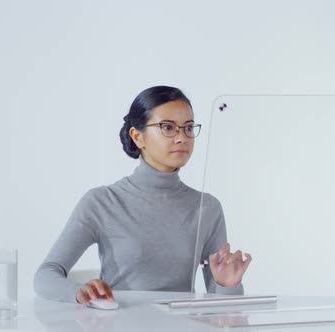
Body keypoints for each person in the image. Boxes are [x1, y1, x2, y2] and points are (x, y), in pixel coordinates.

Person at [34, 86, 252, 305]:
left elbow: (222, 308)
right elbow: (46, 275)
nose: (182, 138)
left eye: (188, 128)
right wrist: (79, 292)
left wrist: (227, 286)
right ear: (138, 136)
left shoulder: (207, 207)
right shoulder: (102, 201)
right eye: (168, 127)